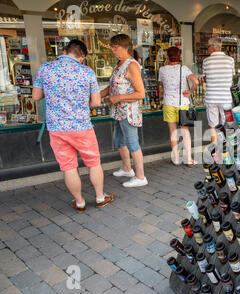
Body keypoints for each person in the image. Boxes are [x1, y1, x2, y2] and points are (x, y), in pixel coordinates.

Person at [32, 39, 114, 212]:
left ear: (64, 51)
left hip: (57, 128)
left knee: (68, 166)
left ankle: (79, 202)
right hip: (82, 126)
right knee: (93, 162)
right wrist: (83, 104)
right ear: (82, 57)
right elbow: (96, 102)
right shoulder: (87, 72)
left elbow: (36, 96)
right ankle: (100, 197)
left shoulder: (45, 69)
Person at [101, 34, 148, 187]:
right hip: (118, 111)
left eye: (116, 47)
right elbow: (113, 86)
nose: (113, 50)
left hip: (129, 112)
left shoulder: (131, 65)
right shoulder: (119, 64)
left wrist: (117, 98)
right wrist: (99, 94)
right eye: (112, 47)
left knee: (132, 143)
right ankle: (127, 168)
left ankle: (141, 177)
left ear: (126, 47)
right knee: (119, 141)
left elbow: (140, 93)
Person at [158, 46, 199, 166]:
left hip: (168, 103)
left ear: (167, 56)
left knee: (173, 132)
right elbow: (196, 82)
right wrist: (190, 91)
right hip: (182, 103)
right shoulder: (184, 68)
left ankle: (175, 158)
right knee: (185, 132)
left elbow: (161, 86)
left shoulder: (162, 69)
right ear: (179, 56)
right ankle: (188, 159)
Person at [201, 37, 235, 144]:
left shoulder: (206, 61)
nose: (208, 49)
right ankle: (226, 149)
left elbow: (205, 78)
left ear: (212, 47)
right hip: (226, 98)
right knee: (227, 124)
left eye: (208, 47)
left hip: (212, 97)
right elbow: (231, 76)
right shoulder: (230, 60)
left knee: (213, 126)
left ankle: (215, 150)